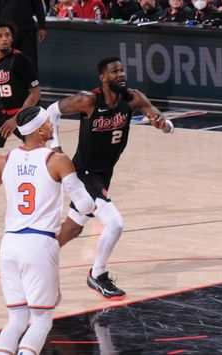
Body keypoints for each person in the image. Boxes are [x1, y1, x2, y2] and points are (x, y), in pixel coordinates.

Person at [48, 57, 175, 299]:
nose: (120, 74)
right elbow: (51, 112)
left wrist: (163, 124)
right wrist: (56, 148)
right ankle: (98, 274)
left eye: (122, 70)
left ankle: (36, 260)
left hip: (105, 174)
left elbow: (160, 118)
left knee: (72, 230)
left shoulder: (133, 97)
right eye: (114, 71)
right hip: (84, 174)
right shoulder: (88, 100)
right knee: (115, 223)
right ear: (103, 78)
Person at [0, 106, 95, 353]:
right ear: (40, 130)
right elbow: (85, 204)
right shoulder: (57, 160)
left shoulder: (3, 160)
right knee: (41, 320)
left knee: (16, 320)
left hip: (9, 245)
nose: (53, 126)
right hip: (40, 244)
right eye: (49, 123)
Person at [0, 20, 40, 225]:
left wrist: (17, 118)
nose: (4, 39)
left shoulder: (20, 60)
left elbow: (35, 92)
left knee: (42, 157)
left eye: (7, 35)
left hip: (22, 114)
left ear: (12, 38)